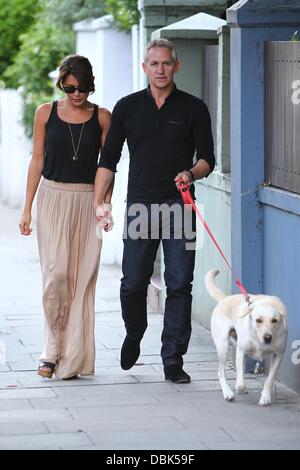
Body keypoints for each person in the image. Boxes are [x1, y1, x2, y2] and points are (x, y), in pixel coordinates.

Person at [94, 38, 215, 383]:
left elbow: (208, 158)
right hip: (139, 207)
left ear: (177, 67)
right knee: (133, 283)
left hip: (180, 207)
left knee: (179, 284)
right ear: (144, 68)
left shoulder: (194, 108)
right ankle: (134, 333)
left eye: (166, 64)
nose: (160, 70)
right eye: (154, 64)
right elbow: (109, 160)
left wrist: (191, 173)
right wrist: (98, 202)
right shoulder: (127, 107)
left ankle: (173, 358)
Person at [19, 55, 113, 380]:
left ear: (91, 86)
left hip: (88, 199)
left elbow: (108, 166)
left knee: (82, 281)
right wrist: (27, 207)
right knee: (56, 277)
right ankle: (52, 348)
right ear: (62, 84)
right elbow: (36, 160)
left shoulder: (102, 117)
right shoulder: (45, 113)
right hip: (53, 197)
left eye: (83, 88)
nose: (77, 94)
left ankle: (71, 357)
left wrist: (105, 204)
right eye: (70, 87)